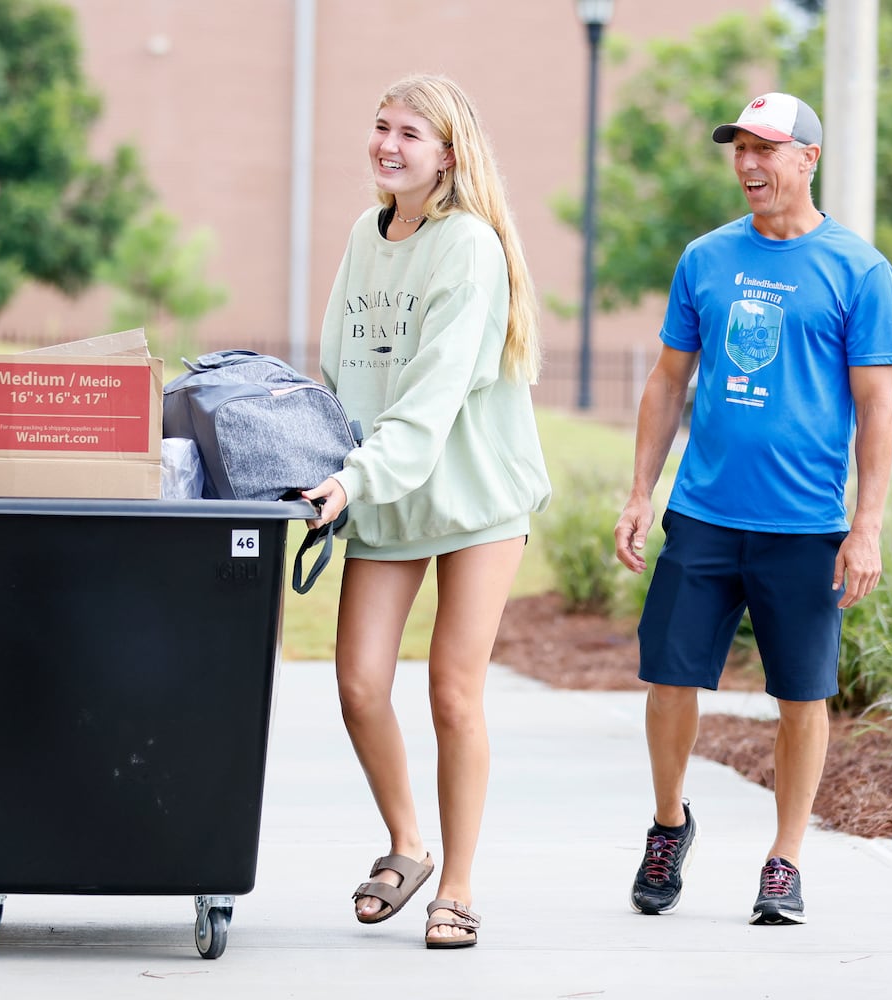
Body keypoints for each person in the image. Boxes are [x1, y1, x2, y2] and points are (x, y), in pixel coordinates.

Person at [614, 92, 892, 925]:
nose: (748, 163)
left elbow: (877, 409)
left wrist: (866, 524)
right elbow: (669, 381)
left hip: (807, 526)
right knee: (669, 680)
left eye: (766, 148)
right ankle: (670, 824)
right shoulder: (706, 259)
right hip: (704, 514)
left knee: (801, 698)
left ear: (808, 159)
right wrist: (642, 493)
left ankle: (785, 859)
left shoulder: (859, 269)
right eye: (739, 147)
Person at [301, 74, 551, 949]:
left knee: (453, 691)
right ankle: (408, 844)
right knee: (361, 683)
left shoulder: (469, 246)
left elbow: (434, 392)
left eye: (410, 132)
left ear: (449, 153)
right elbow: (342, 370)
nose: (388, 144)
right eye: (380, 127)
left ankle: (462, 883)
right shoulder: (363, 239)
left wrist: (357, 477)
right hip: (384, 488)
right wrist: (331, 466)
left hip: (474, 494)